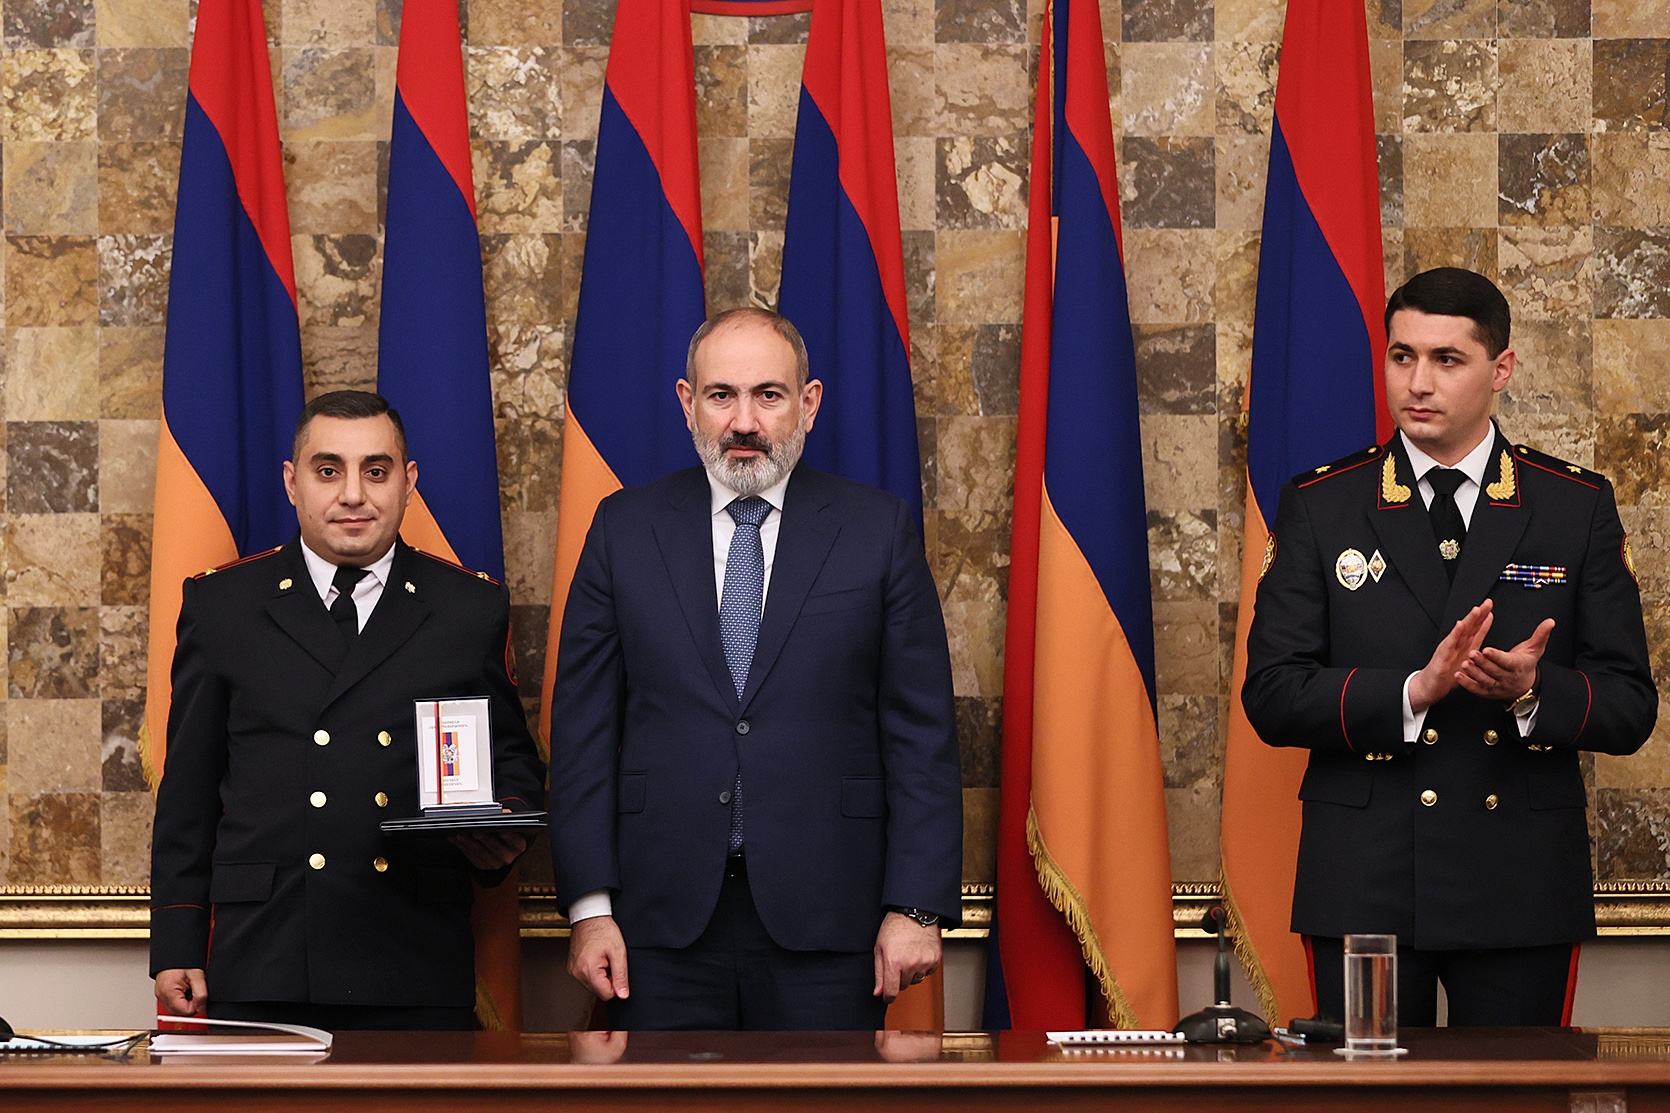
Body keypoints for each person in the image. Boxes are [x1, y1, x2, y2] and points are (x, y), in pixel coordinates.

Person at [1243, 268, 1657, 1026]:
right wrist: (1412, 692)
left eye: (1447, 359)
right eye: (1402, 356)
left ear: (1501, 369)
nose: (1418, 383)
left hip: (1517, 882)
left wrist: (1532, 691)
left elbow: (1630, 705)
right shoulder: (1323, 504)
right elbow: (1272, 693)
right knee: (1368, 1091)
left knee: (1510, 1090)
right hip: (1365, 879)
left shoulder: (1572, 506)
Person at [547, 307, 962, 1031]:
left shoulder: (877, 530)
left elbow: (921, 735)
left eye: (768, 395)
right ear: (688, 403)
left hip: (831, 920)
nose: (744, 422)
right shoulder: (623, 528)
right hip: (655, 924)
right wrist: (590, 909)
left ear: (809, 403)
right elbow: (583, 734)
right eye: (721, 395)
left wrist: (916, 907)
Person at [150, 390, 546, 1031]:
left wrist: (498, 826)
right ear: (292, 482)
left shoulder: (467, 608)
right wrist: (176, 940)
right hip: (266, 951)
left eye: (376, 471)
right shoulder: (223, 606)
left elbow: (513, 763)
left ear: (408, 483)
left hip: (413, 953)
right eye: (328, 470)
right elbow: (188, 792)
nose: (353, 495)